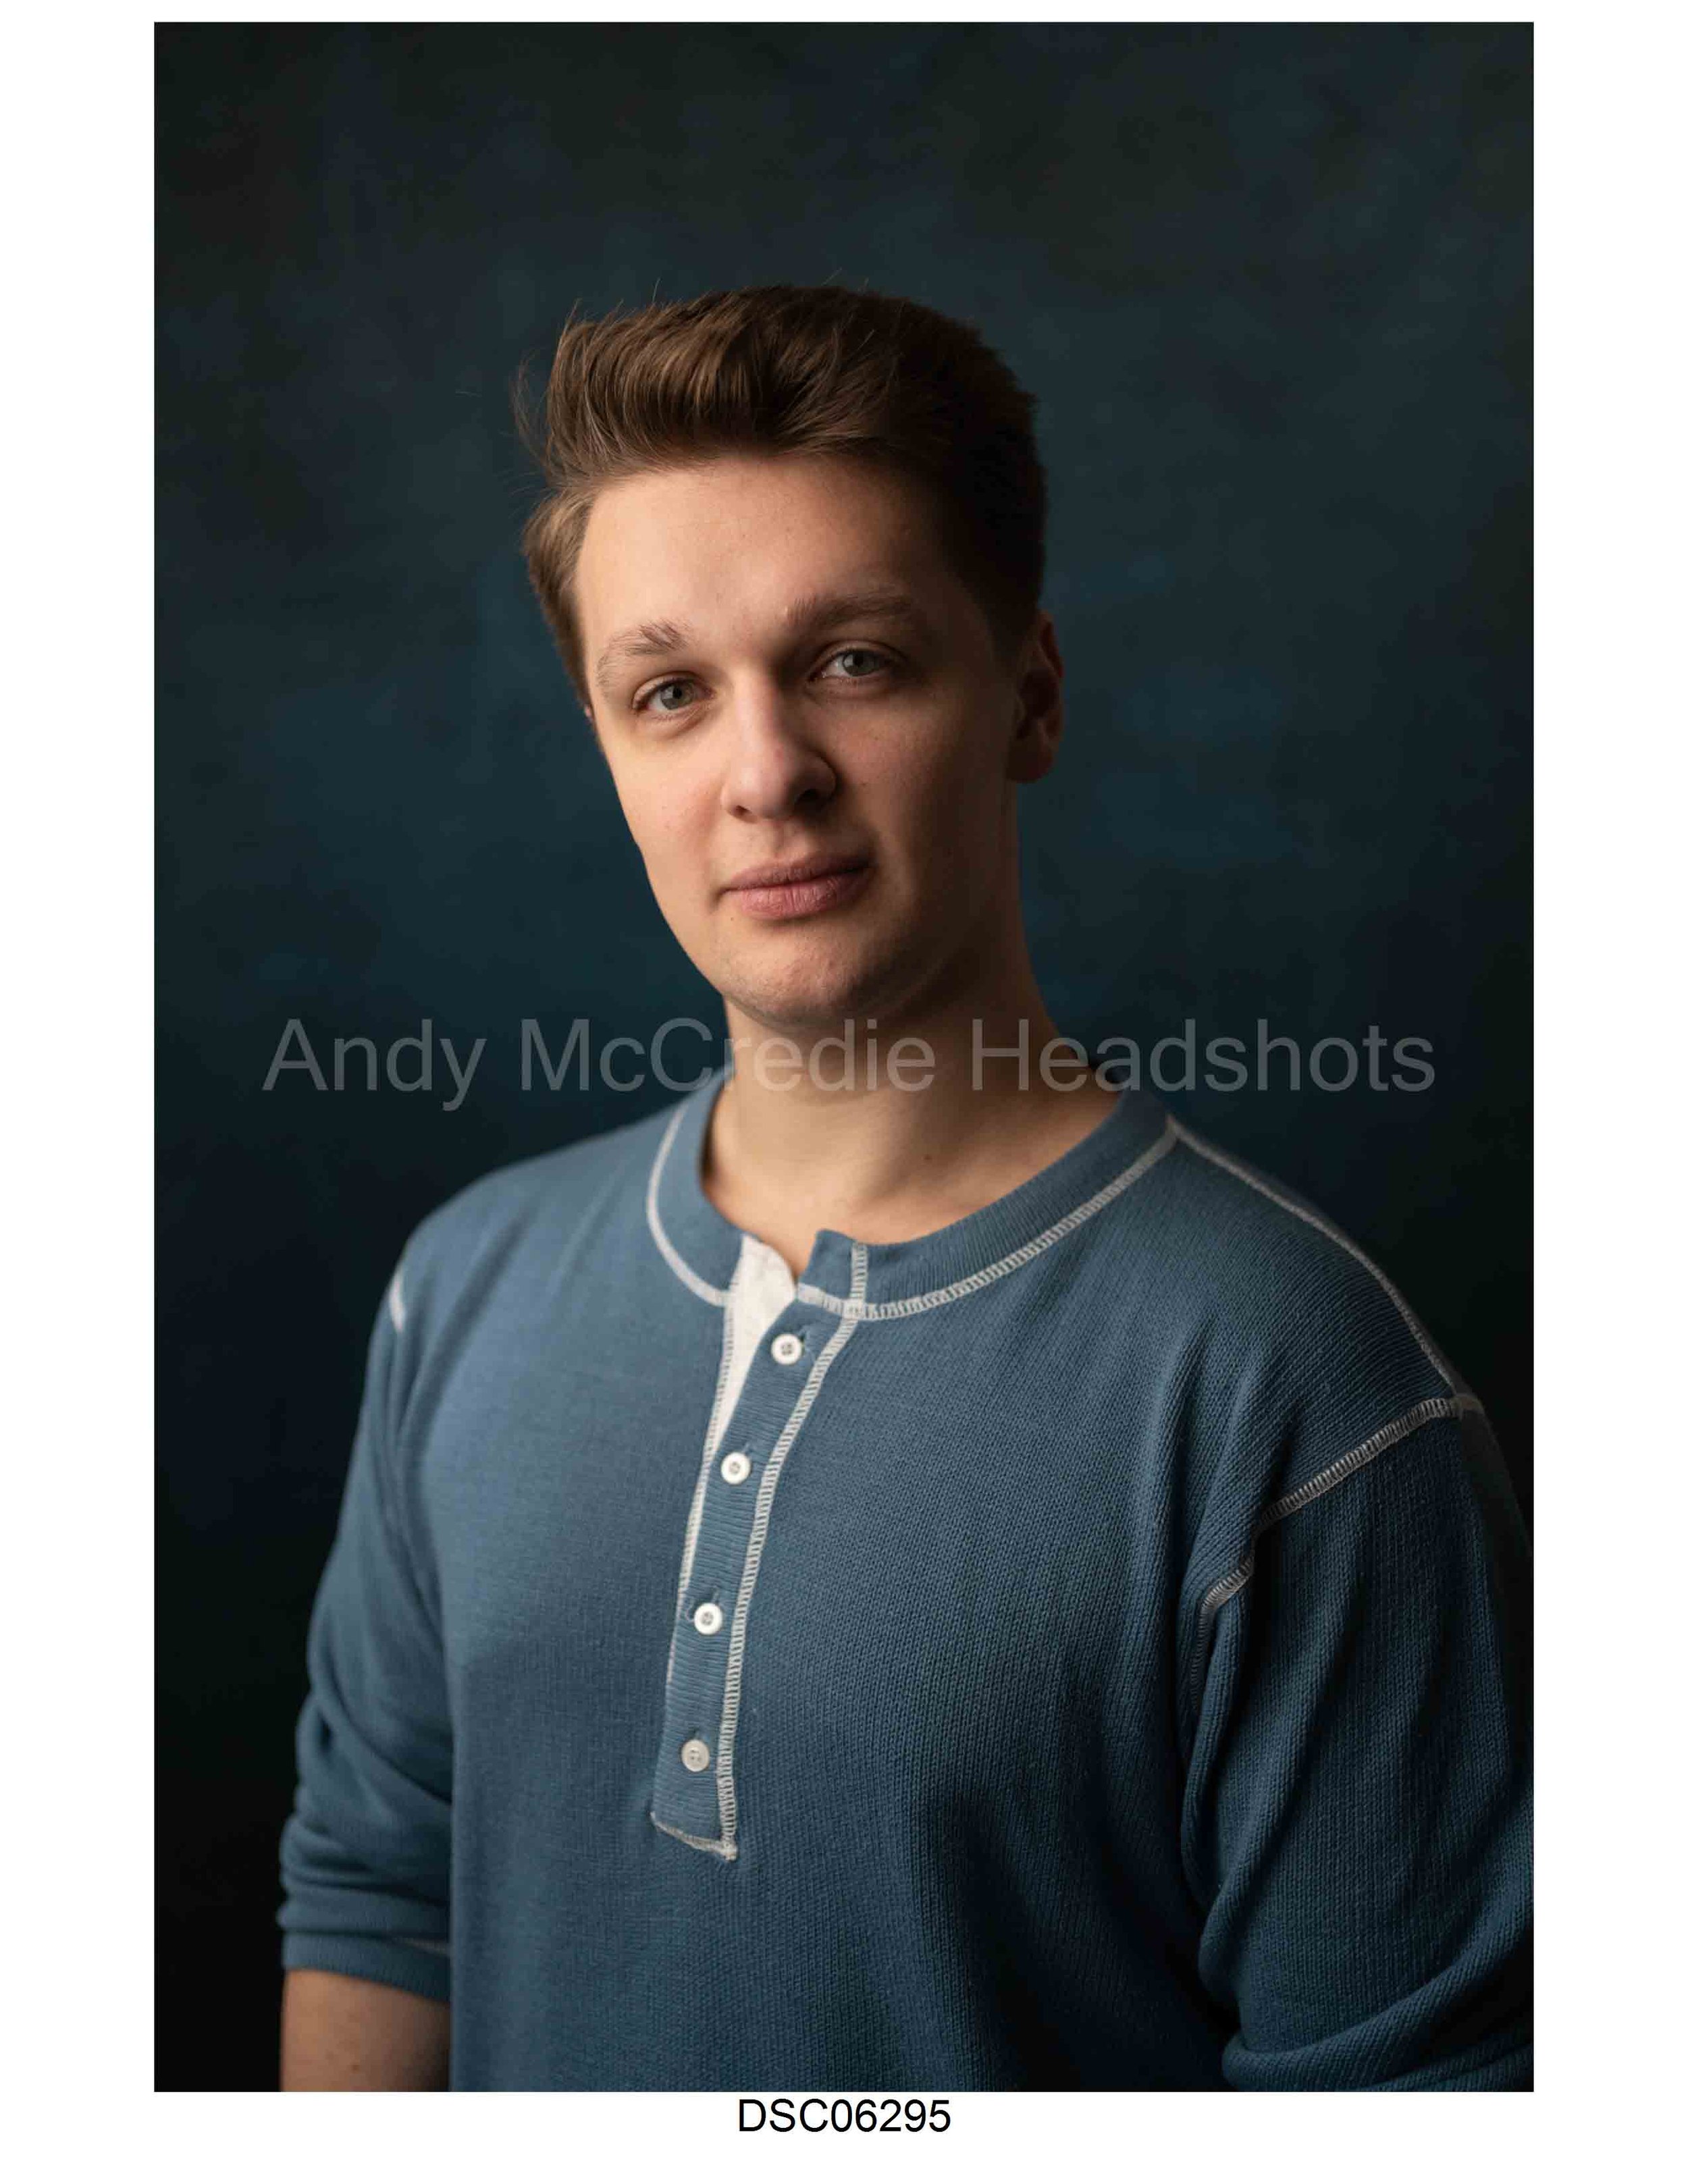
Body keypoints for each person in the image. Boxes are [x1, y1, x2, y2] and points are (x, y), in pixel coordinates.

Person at [277, 283, 1531, 2092]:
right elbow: (381, 1904)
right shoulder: (462, 1289)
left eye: (854, 662)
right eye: (669, 693)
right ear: (607, 745)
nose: (765, 775)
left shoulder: (1299, 1388)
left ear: (1029, 696)